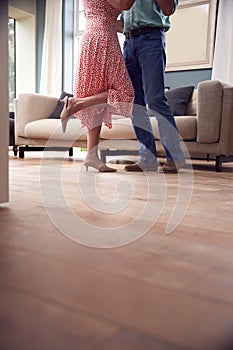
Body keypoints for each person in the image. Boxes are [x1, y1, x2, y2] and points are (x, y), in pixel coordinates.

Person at [61, 0, 135, 172]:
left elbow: (105, 15)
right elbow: (124, 4)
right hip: (102, 39)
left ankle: (91, 156)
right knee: (126, 93)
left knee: (97, 100)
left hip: (95, 37)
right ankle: (77, 104)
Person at [119, 0, 186, 173]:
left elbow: (169, 9)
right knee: (135, 104)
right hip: (128, 42)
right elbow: (122, 23)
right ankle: (147, 158)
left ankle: (175, 157)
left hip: (151, 39)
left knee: (155, 99)